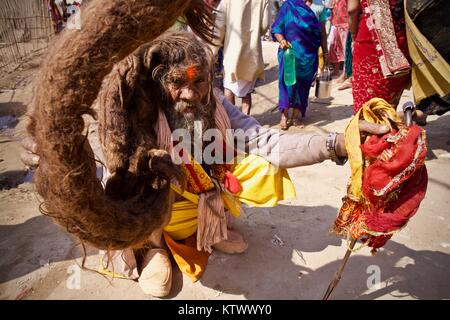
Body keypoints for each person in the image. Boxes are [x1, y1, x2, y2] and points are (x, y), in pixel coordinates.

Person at [22, 33, 389, 298]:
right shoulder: (132, 113)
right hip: (156, 203)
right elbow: (107, 173)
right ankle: (153, 250)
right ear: (158, 82)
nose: (190, 94)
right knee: (140, 184)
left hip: (198, 187)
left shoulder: (214, 103)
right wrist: (57, 162)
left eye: (199, 82)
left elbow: (265, 140)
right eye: (177, 83)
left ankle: (208, 232)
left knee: (260, 166)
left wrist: (337, 142)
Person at [271, 0, 328, 130]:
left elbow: (322, 33)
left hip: (309, 56)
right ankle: (284, 116)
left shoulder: (319, 6)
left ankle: (296, 116)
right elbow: (277, 27)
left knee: (303, 84)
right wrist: (282, 40)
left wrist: (325, 52)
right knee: (287, 83)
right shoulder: (289, 5)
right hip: (289, 52)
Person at [349, 0, 411, 114]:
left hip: (369, 42)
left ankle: (374, 128)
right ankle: (390, 125)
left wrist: (353, 34)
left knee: (366, 109)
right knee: (389, 104)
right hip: (400, 43)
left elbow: (352, 10)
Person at [211, 0, 270, 115]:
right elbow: (264, 26)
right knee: (247, 91)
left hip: (233, 52)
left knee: (229, 89)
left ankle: (232, 120)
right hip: (252, 53)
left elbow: (219, 26)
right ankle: (246, 120)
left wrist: (214, 50)